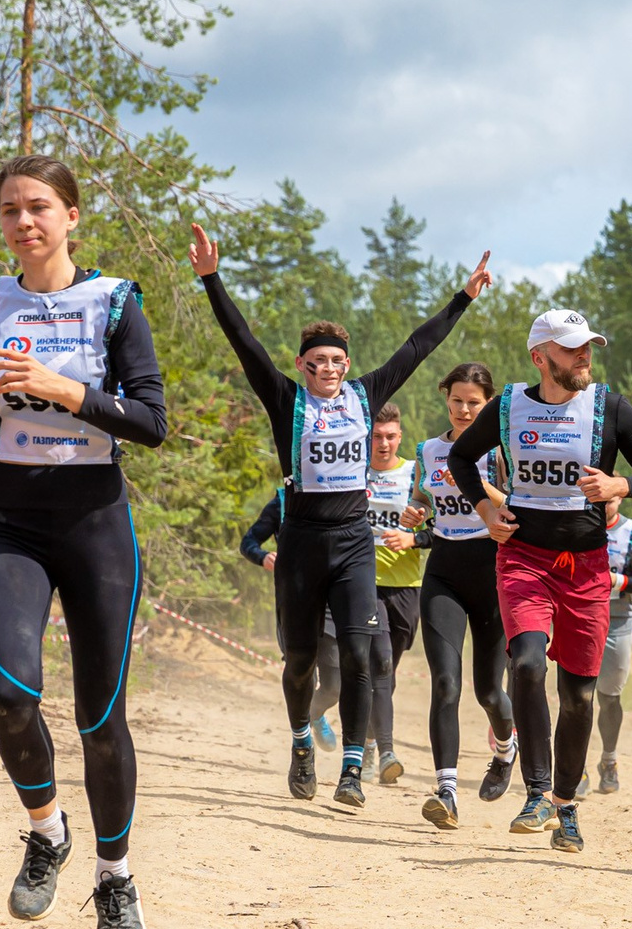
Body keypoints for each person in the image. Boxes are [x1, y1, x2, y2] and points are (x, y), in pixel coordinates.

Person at [0, 155, 167, 929]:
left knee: (100, 720)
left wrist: (64, 388)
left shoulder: (115, 304)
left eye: (38, 206)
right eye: (10, 209)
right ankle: (47, 830)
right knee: (9, 693)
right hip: (12, 518)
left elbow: (151, 421)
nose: (23, 221)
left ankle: (115, 880)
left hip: (94, 521)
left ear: (71, 215)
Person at [191, 224, 492, 808]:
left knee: (358, 655)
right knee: (301, 661)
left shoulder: (365, 394)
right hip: (302, 543)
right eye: (317, 362)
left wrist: (463, 298)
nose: (327, 369)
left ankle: (352, 768)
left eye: (336, 361)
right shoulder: (286, 399)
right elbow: (243, 340)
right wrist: (211, 279)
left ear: (347, 363)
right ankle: (302, 742)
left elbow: (416, 347)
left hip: (354, 542)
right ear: (301, 365)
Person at [449, 309, 632, 853]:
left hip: (587, 568)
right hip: (523, 558)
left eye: (587, 346)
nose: (584, 356)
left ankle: (565, 805)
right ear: (540, 357)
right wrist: (485, 509)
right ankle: (537, 793)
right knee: (526, 664)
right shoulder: (507, 407)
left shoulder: (609, 406)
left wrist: (620, 483)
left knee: (578, 696)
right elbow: (460, 456)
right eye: (572, 349)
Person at [412, 363, 517, 829]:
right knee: (445, 683)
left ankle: (506, 749)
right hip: (444, 573)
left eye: (474, 403)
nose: (464, 410)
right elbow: (423, 500)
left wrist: (476, 485)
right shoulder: (428, 450)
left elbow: (519, 508)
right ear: (446, 398)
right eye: (456, 400)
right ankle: (447, 792)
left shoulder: (501, 452)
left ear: (488, 404)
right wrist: (416, 512)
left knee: (489, 691)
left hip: (492, 573)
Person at [241, 492, 340, 751]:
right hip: (293, 600)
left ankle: (314, 714)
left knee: (334, 686)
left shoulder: (339, 494)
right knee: (303, 672)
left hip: (331, 602)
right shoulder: (282, 500)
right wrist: (262, 556)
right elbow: (248, 541)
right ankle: (302, 743)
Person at [363, 404, 425, 785]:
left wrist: (415, 532)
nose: (383, 443)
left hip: (407, 586)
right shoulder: (356, 472)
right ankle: (384, 751)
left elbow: (438, 519)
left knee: (388, 671)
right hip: (365, 583)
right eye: (376, 436)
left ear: (400, 437)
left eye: (389, 436)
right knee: (381, 662)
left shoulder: (414, 473)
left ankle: (369, 742)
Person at [590, 497, 632, 794]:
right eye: (599, 500)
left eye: (610, 499)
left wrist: (613, 580)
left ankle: (609, 760)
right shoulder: (577, 524)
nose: (605, 504)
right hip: (581, 615)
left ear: (619, 498)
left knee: (609, 696)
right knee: (578, 696)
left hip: (617, 620)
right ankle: (574, 768)